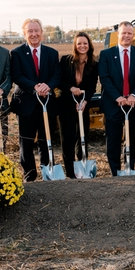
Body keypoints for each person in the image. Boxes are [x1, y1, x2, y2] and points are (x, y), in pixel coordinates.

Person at [10, 18, 61, 182]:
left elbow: (56, 75)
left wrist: (48, 87)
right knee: (26, 142)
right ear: (25, 34)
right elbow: (17, 76)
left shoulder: (52, 53)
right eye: (30, 31)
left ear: (41, 33)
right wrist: (35, 87)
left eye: (36, 30)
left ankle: (47, 171)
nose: (34, 34)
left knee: (46, 140)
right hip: (26, 103)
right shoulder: (17, 53)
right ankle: (29, 176)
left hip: (47, 103)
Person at [98, 21, 135, 176]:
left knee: (131, 138)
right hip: (113, 104)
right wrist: (117, 97)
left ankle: (130, 168)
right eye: (124, 33)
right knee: (113, 138)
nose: (126, 36)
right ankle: (115, 171)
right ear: (118, 34)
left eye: (129, 33)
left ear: (133, 35)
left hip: (133, 103)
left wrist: (134, 95)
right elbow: (104, 77)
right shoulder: (106, 54)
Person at [58, 32, 99, 179]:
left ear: (89, 45)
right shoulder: (65, 60)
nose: (82, 46)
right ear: (75, 45)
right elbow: (59, 80)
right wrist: (71, 88)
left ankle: (82, 168)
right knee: (67, 138)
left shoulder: (94, 64)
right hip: (66, 103)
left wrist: (85, 101)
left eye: (85, 43)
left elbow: (93, 85)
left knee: (82, 136)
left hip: (83, 103)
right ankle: (70, 172)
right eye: (79, 43)